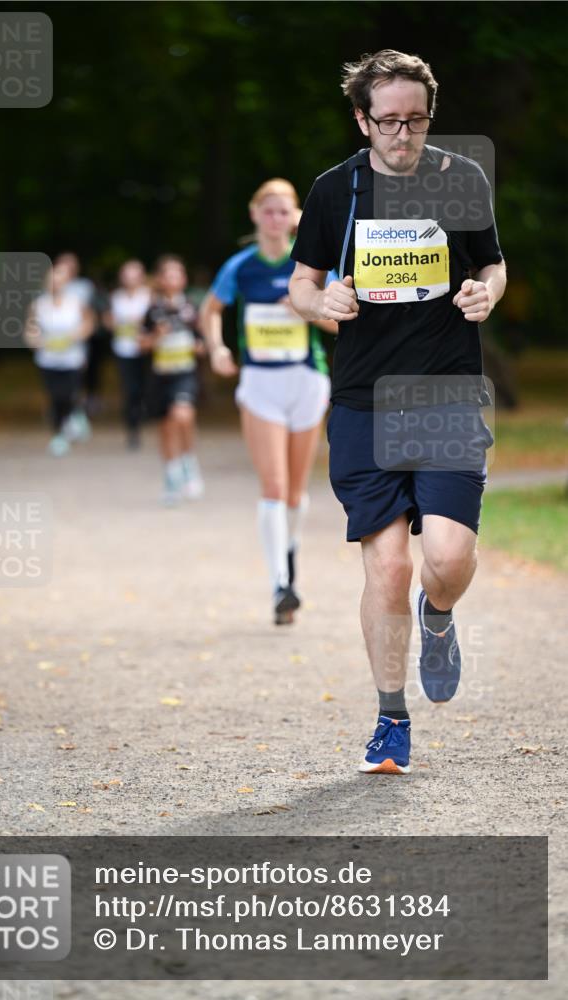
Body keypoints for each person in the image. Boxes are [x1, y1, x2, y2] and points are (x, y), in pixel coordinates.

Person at [289, 50, 506, 773]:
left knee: (444, 560)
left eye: (415, 120)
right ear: (362, 120)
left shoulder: (461, 180)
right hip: (363, 402)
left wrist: (486, 293)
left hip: (444, 395)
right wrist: (321, 303)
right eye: (388, 122)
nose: (403, 135)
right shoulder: (333, 192)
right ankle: (389, 720)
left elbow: (490, 263)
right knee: (386, 570)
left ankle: (438, 617)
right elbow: (299, 285)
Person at [200, 179, 337, 625]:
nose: (277, 220)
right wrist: (218, 350)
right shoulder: (241, 266)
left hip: (306, 382)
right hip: (260, 385)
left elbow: (342, 321)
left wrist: (307, 309)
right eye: (269, 211)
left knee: (296, 492)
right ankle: (280, 584)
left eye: (285, 212)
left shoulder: (313, 265)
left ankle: (289, 560)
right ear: (255, 215)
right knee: (274, 487)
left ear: (296, 217)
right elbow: (210, 310)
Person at [143, 255, 205, 505]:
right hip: (160, 375)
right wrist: (156, 337)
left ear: (183, 279)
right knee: (166, 427)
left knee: (183, 415)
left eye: (177, 273)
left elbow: (203, 342)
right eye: (167, 274)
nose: (172, 278)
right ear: (159, 279)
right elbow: (141, 344)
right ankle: (171, 476)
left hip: (185, 373)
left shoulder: (191, 307)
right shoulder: (152, 310)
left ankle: (189, 462)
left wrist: (198, 346)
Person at [24, 261, 95, 456]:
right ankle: (59, 435)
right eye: (52, 281)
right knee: (55, 398)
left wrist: (75, 336)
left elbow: (89, 324)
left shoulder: (76, 303)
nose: (55, 284)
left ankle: (74, 417)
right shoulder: (38, 305)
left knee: (70, 395)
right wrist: (36, 340)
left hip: (72, 359)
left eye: (59, 281)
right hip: (48, 360)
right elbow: (30, 330)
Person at [105, 259, 151, 450]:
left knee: (145, 389)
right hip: (124, 349)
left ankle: (145, 413)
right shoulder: (116, 298)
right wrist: (117, 325)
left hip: (146, 350)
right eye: (127, 275)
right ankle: (133, 429)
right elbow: (108, 320)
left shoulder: (149, 297)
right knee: (130, 390)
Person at [54, 251, 105, 417]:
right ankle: (61, 408)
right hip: (53, 343)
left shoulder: (84, 286)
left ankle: (78, 408)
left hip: (78, 341)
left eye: (71, 265)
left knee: (79, 375)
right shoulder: (50, 286)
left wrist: (82, 332)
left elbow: (91, 312)